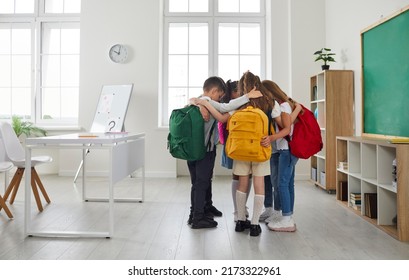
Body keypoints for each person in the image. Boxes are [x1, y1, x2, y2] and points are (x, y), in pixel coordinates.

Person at [187, 76, 262, 229]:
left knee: (198, 183)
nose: (220, 99)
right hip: (204, 150)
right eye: (219, 96)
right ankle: (197, 217)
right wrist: (247, 96)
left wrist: (197, 102)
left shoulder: (197, 101)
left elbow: (218, 107)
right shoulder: (206, 102)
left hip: (191, 150)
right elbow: (224, 109)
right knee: (201, 184)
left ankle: (197, 212)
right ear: (214, 91)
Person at [261, 79, 302, 232]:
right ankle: (287, 216)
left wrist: (270, 138)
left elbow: (286, 129)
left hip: (286, 149)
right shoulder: (285, 105)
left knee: (282, 184)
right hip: (284, 149)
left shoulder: (283, 105)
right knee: (287, 184)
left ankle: (287, 220)